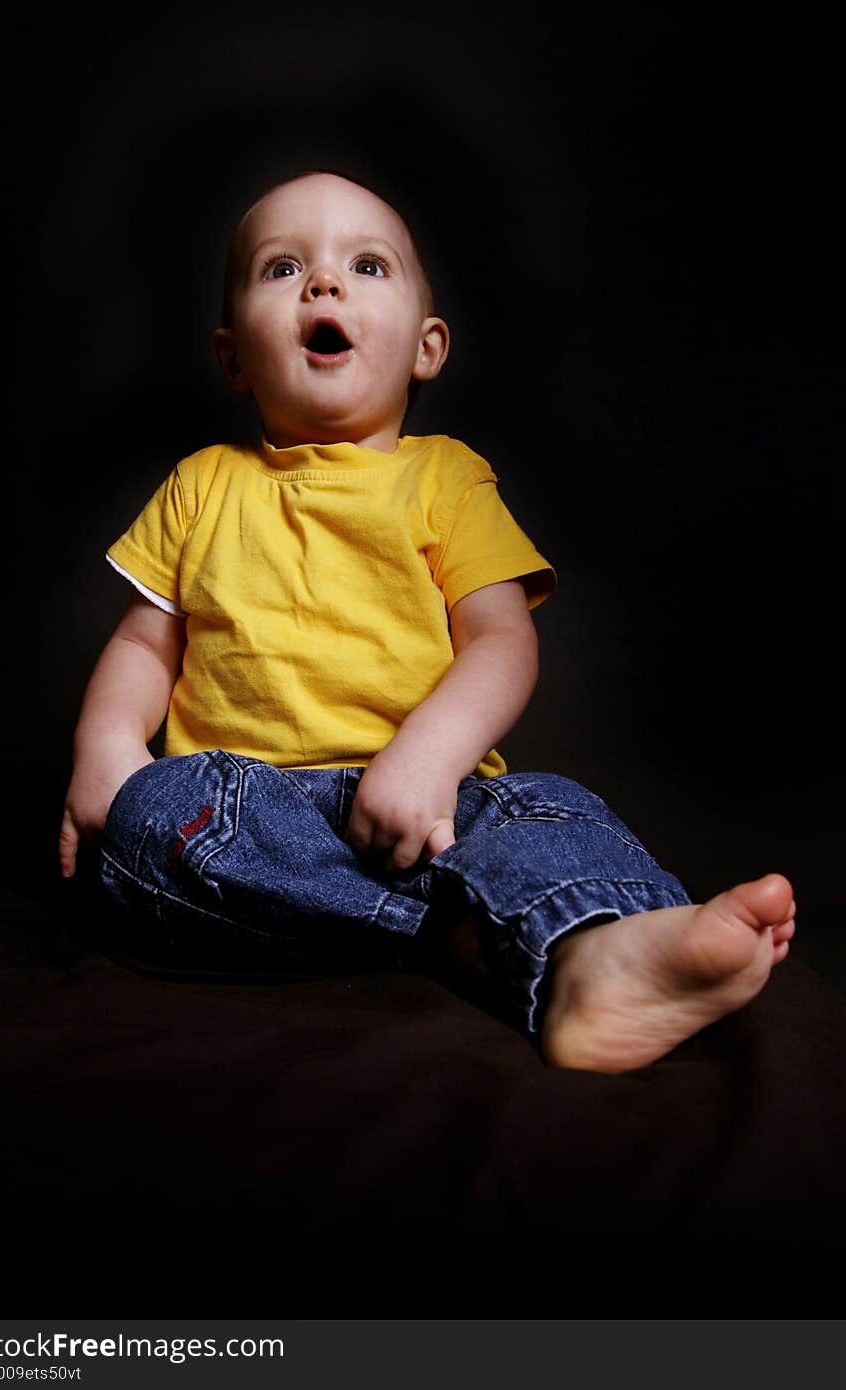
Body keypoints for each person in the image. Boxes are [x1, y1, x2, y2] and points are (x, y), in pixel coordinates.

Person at [59, 168, 796, 1073]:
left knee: (549, 809)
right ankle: (483, 939)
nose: (324, 283)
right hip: (243, 810)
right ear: (232, 358)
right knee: (146, 816)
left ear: (427, 347)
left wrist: (432, 754)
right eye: (283, 268)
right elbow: (142, 642)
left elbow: (500, 638)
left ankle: (600, 948)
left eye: (367, 266)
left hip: (433, 801)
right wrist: (105, 754)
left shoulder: (445, 478)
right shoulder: (202, 482)